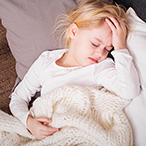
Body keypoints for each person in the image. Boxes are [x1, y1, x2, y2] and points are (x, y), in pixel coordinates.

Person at [9, 0, 140, 140]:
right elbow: (18, 98)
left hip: (83, 129)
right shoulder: (45, 62)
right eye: (94, 44)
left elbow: (129, 91)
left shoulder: (100, 67)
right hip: (51, 131)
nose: (100, 53)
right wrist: (29, 122)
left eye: (108, 49)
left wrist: (120, 48)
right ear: (74, 31)